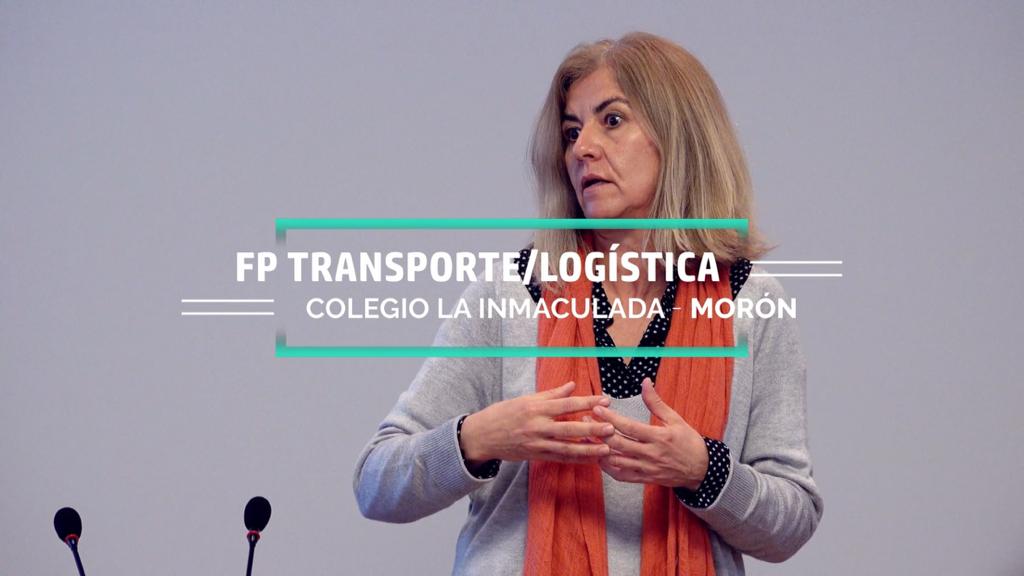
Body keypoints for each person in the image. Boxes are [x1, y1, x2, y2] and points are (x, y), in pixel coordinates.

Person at [354, 31, 823, 576]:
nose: (582, 148)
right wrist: (480, 437)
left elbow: (792, 521)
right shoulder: (510, 292)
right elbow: (375, 482)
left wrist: (703, 470)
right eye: (571, 131)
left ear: (680, 136)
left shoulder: (753, 303)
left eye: (612, 120)